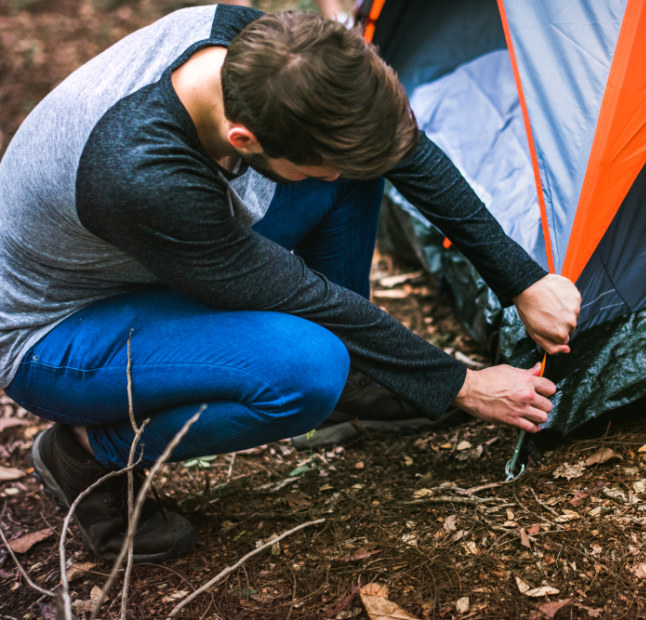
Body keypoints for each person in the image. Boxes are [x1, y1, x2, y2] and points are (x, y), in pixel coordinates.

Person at [0, 6, 580, 562]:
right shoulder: (140, 171)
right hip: (57, 332)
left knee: (355, 162)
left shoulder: (271, 53)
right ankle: (85, 453)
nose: (327, 179)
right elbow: (300, 295)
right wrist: (462, 384)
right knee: (306, 367)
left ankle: (358, 379)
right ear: (244, 142)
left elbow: (400, 149)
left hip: (160, 254)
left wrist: (523, 280)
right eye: (313, 168)